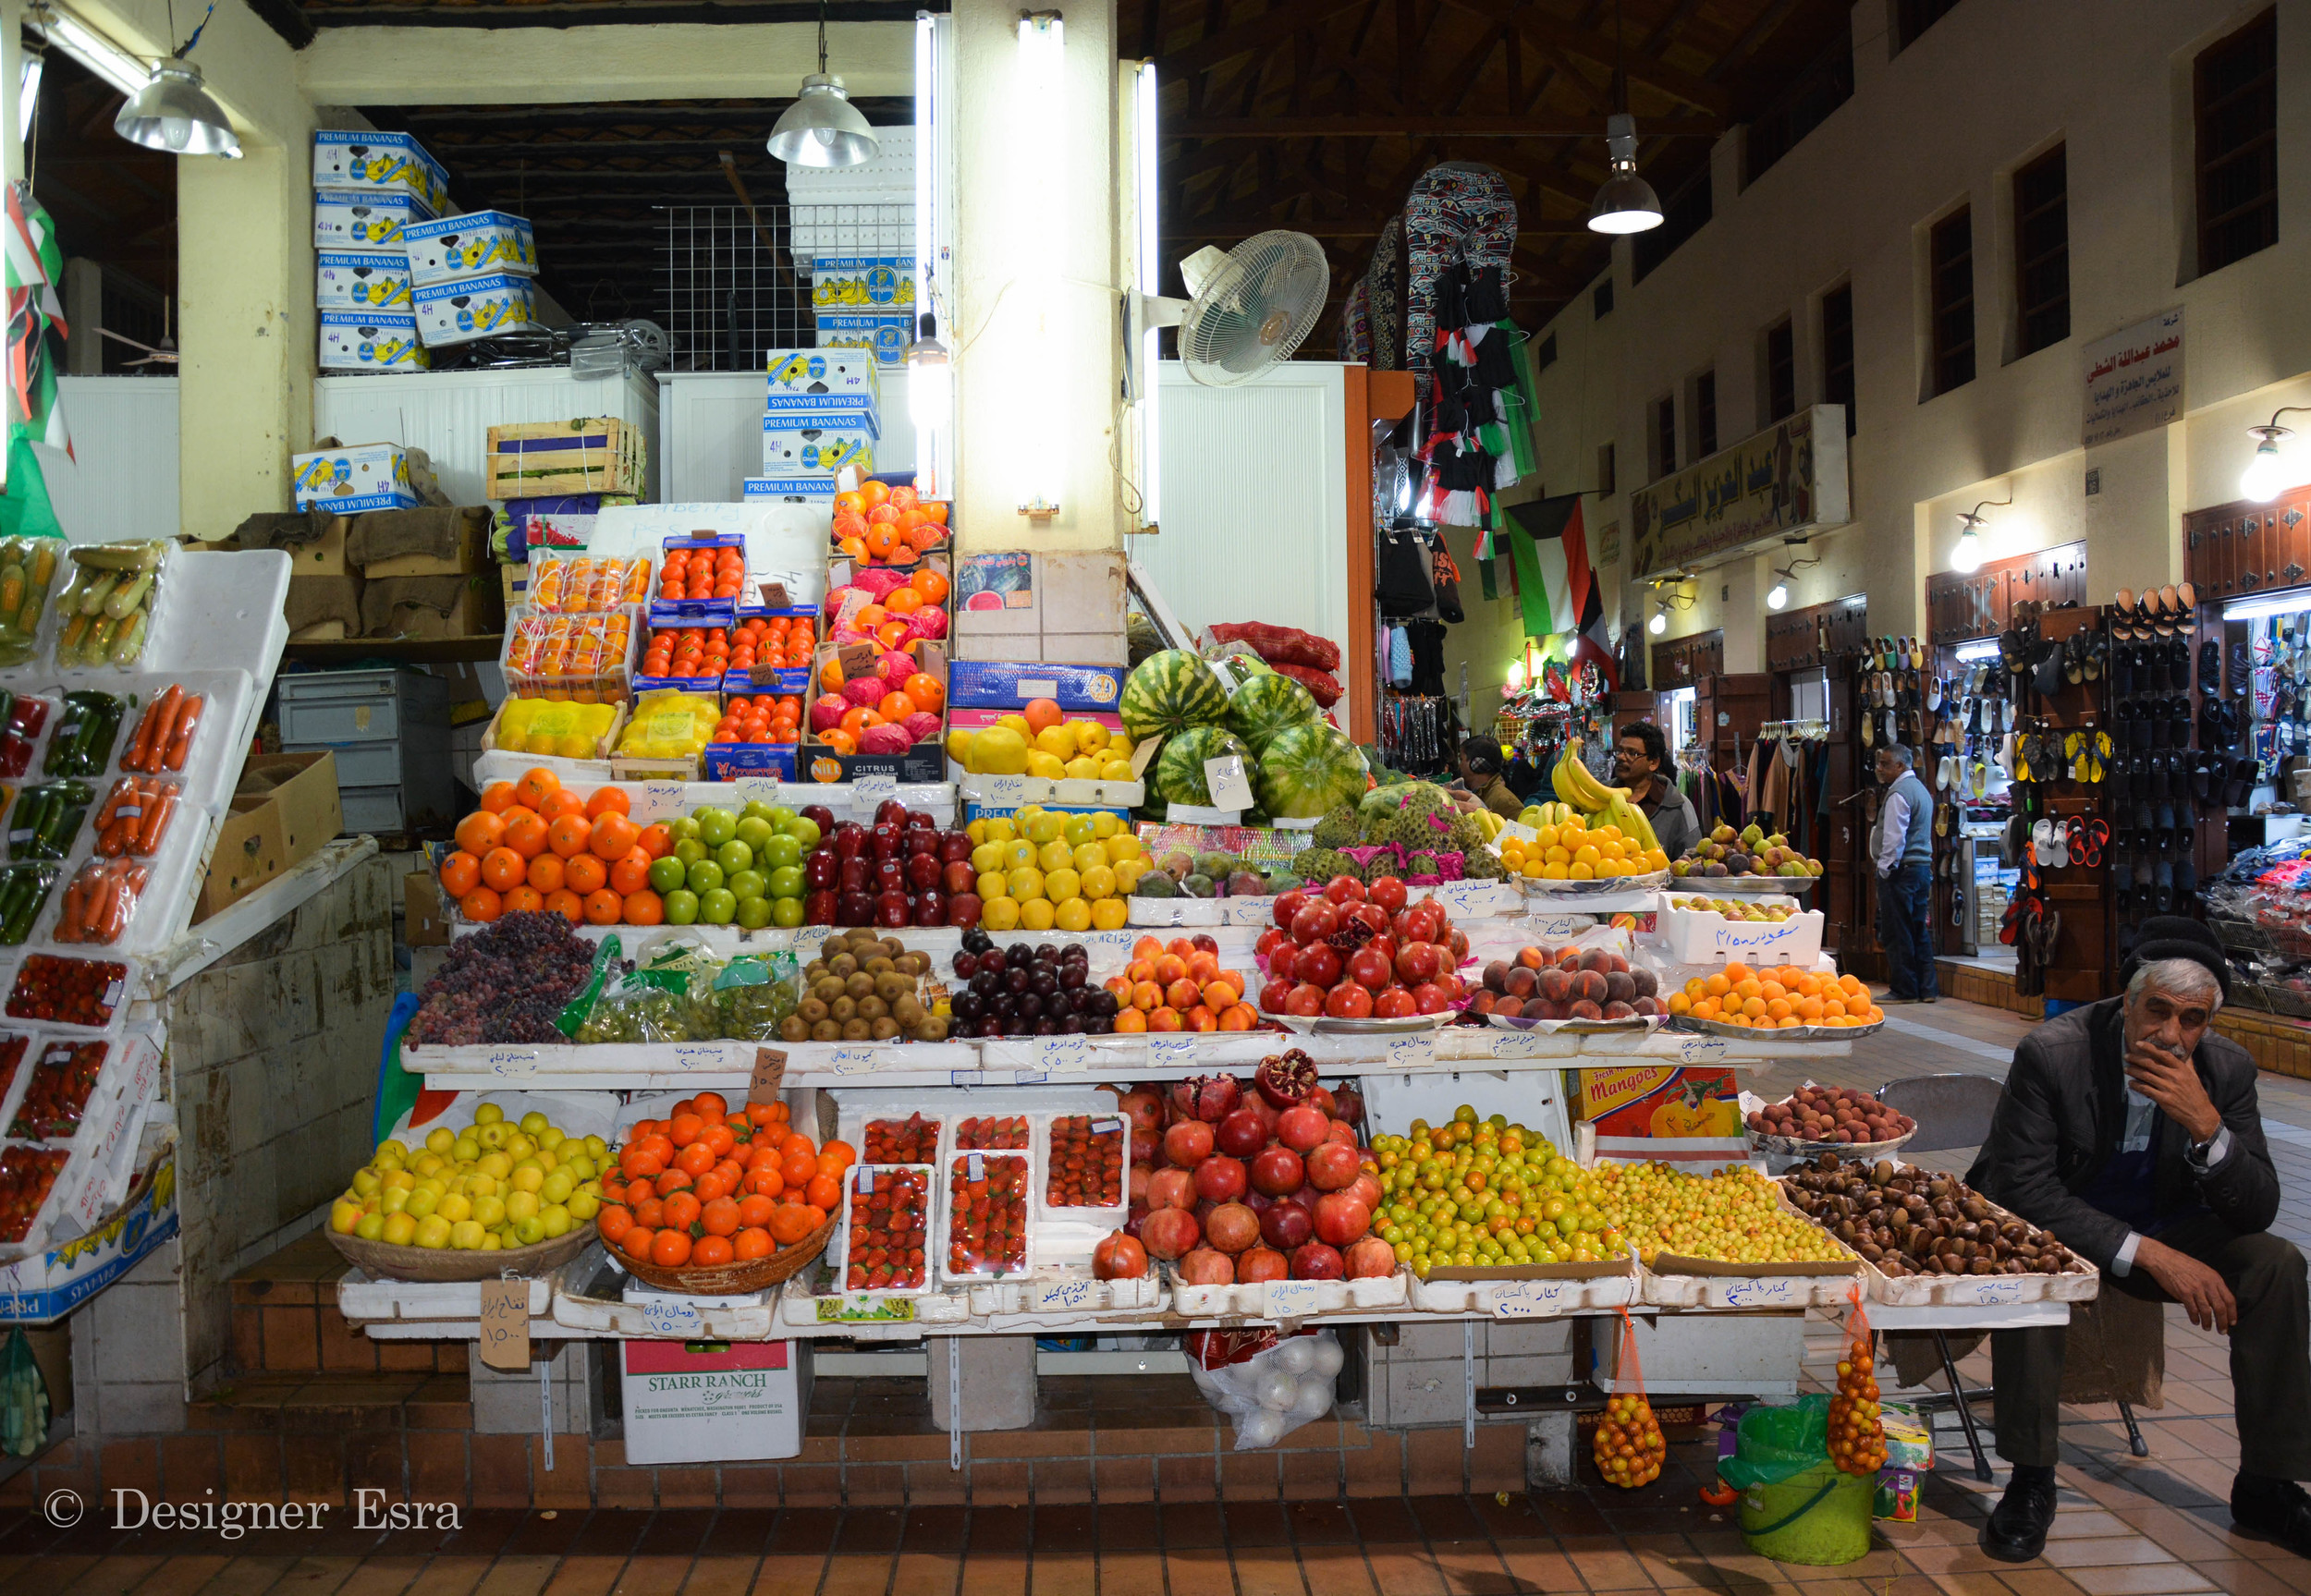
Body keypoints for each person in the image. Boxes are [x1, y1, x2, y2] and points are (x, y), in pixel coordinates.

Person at [1969, 922, 2310, 1562]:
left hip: (2162, 1217)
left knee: (2277, 1265)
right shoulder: (2054, 1052)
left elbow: (2258, 1207)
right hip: (2058, 1224)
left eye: (2192, 1019)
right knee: (2038, 1273)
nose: (2170, 1035)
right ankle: (2031, 1477)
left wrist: (2207, 1126)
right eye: (2158, 1010)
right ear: (2127, 1003)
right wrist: (2150, 1253)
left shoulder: (2226, 1068)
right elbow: (2024, 1189)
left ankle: (2268, 1483)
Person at [1871, 744, 1936, 1004]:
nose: (1880, 769)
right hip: (1920, 869)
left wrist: (1885, 869)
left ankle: (1904, 989)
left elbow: (1894, 837)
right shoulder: (1920, 789)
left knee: (1897, 930)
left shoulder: (1899, 793)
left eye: (1885, 764)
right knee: (1918, 928)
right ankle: (1928, 989)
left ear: (1900, 766)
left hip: (1902, 870)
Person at [1611, 721, 1699, 862]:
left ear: (1653, 763)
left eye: (1632, 753)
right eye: (1620, 751)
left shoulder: (1678, 806)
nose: (1621, 757)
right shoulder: (1599, 799)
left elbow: (1693, 860)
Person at [1456, 737, 1524, 820]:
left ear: (1477, 764)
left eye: (1461, 759)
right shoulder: (1481, 793)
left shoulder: (1506, 802)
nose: (1459, 766)